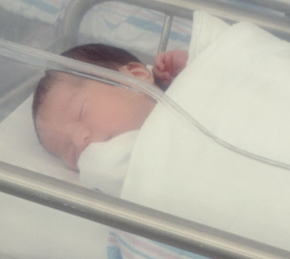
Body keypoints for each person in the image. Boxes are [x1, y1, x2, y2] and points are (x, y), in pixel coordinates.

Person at [29, 42, 188, 170]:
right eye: (69, 152)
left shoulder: (190, 90)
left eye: (81, 112)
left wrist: (191, 67)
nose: (79, 142)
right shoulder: (122, 176)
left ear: (136, 76)